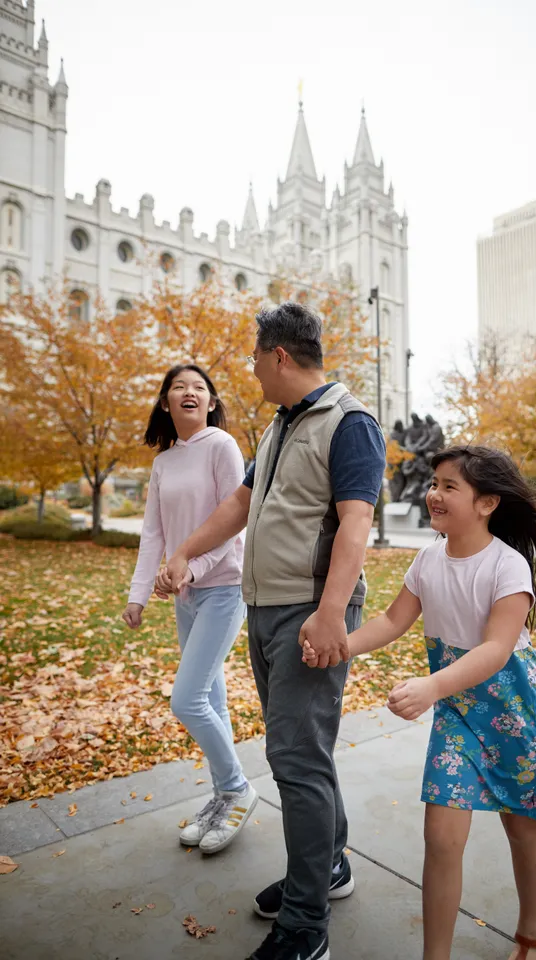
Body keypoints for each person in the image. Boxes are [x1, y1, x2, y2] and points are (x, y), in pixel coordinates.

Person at [156, 302, 386, 960]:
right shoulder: (282, 424)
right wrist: (187, 554)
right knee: (305, 753)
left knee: (294, 760)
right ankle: (328, 867)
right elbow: (239, 504)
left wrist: (332, 612)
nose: (252, 370)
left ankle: (307, 925)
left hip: (308, 611)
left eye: (257, 357)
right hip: (265, 606)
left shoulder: (349, 423)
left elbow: (355, 522)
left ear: (280, 356)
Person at [302, 445, 536, 960]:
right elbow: (394, 620)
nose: (434, 493)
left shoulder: (508, 566)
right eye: (434, 483)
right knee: (440, 836)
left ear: (487, 503)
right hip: (458, 716)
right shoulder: (428, 558)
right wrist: (339, 643)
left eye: (449, 486)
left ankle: (531, 929)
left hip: (511, 713)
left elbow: (496, 649)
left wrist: (432, 687)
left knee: (522, 829)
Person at [121, 364, 257, 855]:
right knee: (212, 703)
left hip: (223, 589)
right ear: (165, 403)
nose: (190, 392)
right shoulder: (164, 463)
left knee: (187, 700)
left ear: (212, 402)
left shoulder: (221, 446)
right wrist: (138, 595)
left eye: (199, 387)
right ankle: (223, 797)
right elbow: (154, 534)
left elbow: (234, 522)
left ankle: (238, 788)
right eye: (179, 387)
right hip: (186, 598)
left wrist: (192, 569)